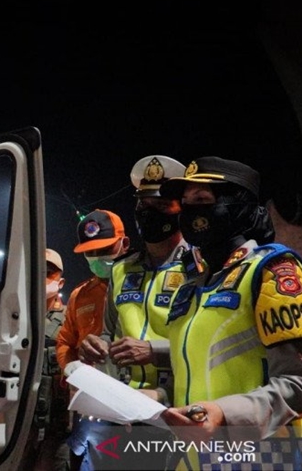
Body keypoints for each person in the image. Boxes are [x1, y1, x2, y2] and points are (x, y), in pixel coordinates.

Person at [158, 156, 302, 470]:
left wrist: (224, 415)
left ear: (241, 206)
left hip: (269, 458)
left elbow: (301, 384)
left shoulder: (273, 271)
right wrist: (159, 397)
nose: (191, 212)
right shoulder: (195, 285)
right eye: (186, 203)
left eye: (203, 200)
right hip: (201, 460)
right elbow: (201, 374)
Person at [77, 155, 189, 470]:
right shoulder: (123, 270)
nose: (148, 214)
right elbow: (108, 333)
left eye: (161, 206)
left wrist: (154, 352)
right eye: (142, 206)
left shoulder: (201, 268)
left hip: (180, 409)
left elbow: (209, 348)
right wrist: (95, 344)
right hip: (128, 412)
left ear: (181, 209)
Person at [55, 209, 130, 471]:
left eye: (105, 250)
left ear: (124, 243)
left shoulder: (143, 285)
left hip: (137, 400)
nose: (99, 258)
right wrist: (70, 369)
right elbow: (65, 341)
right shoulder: (80, 295)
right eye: (91, 253)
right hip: (92, 405)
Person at [23, 248, 71, 471]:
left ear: (60, 283)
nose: (40, 277)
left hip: (56, 429)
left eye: (48, 272)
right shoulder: (12, 316)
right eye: (35, 270)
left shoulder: (71, 320)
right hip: (19, 427)